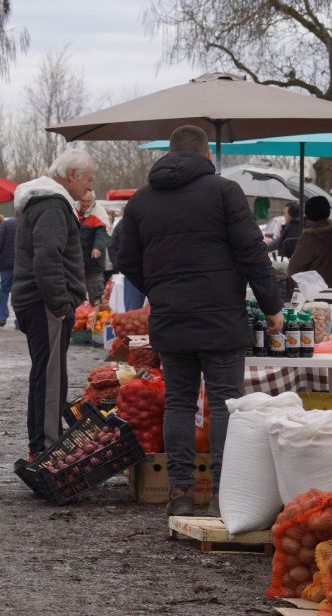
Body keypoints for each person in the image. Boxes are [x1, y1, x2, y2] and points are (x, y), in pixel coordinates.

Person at [114, 124, 284, 517]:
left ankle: (181, 492)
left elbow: (123, 258)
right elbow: (251, 253)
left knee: (178, 402)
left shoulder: (141, 201)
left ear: (168, 154)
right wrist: (271, 305)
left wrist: (158, 287)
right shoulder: (225, 192)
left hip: (171, 317)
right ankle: (228, 491)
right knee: (226, 404)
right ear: (206, 155)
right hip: (221, 314)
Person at [11, 149, 94, 459]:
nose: (89, 187)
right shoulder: (53, 206)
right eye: (88, 179)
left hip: (36, 301)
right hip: (45, 304)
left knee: (45, 373)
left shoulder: (43, 203)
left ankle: (41, 445)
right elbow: (47, 258)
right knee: (50, 377)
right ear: (71, 175)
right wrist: (60, 304)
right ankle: (47, 448)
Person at [287, 195, 332, 290]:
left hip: (318, 295)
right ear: (327, 211)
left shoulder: (310, 237)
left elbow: (293, 270)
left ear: (308, 214)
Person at [77, 190, 110, 307]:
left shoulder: (99, 213)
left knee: (96, 296)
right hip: (76, 263)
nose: (85, 204)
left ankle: (96, 321)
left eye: (88, 201)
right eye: (83, 201)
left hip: (94, 263)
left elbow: (102, 234)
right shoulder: (73, 210)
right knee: (75, 296)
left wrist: (98, 248)